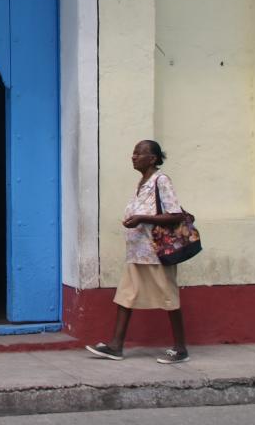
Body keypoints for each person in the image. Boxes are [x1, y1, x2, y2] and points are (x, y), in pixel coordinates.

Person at [85, 140, 190, 364]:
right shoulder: (142, 183)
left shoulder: (161, 181)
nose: (133, 157)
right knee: (126, 295)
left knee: (169, 297)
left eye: (138, 153)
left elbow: (175, 215)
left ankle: (181, 349)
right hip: (137, 253)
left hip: (157, 253)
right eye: (133, 153)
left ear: (152, 158)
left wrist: (142, 218)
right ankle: (116, 346)